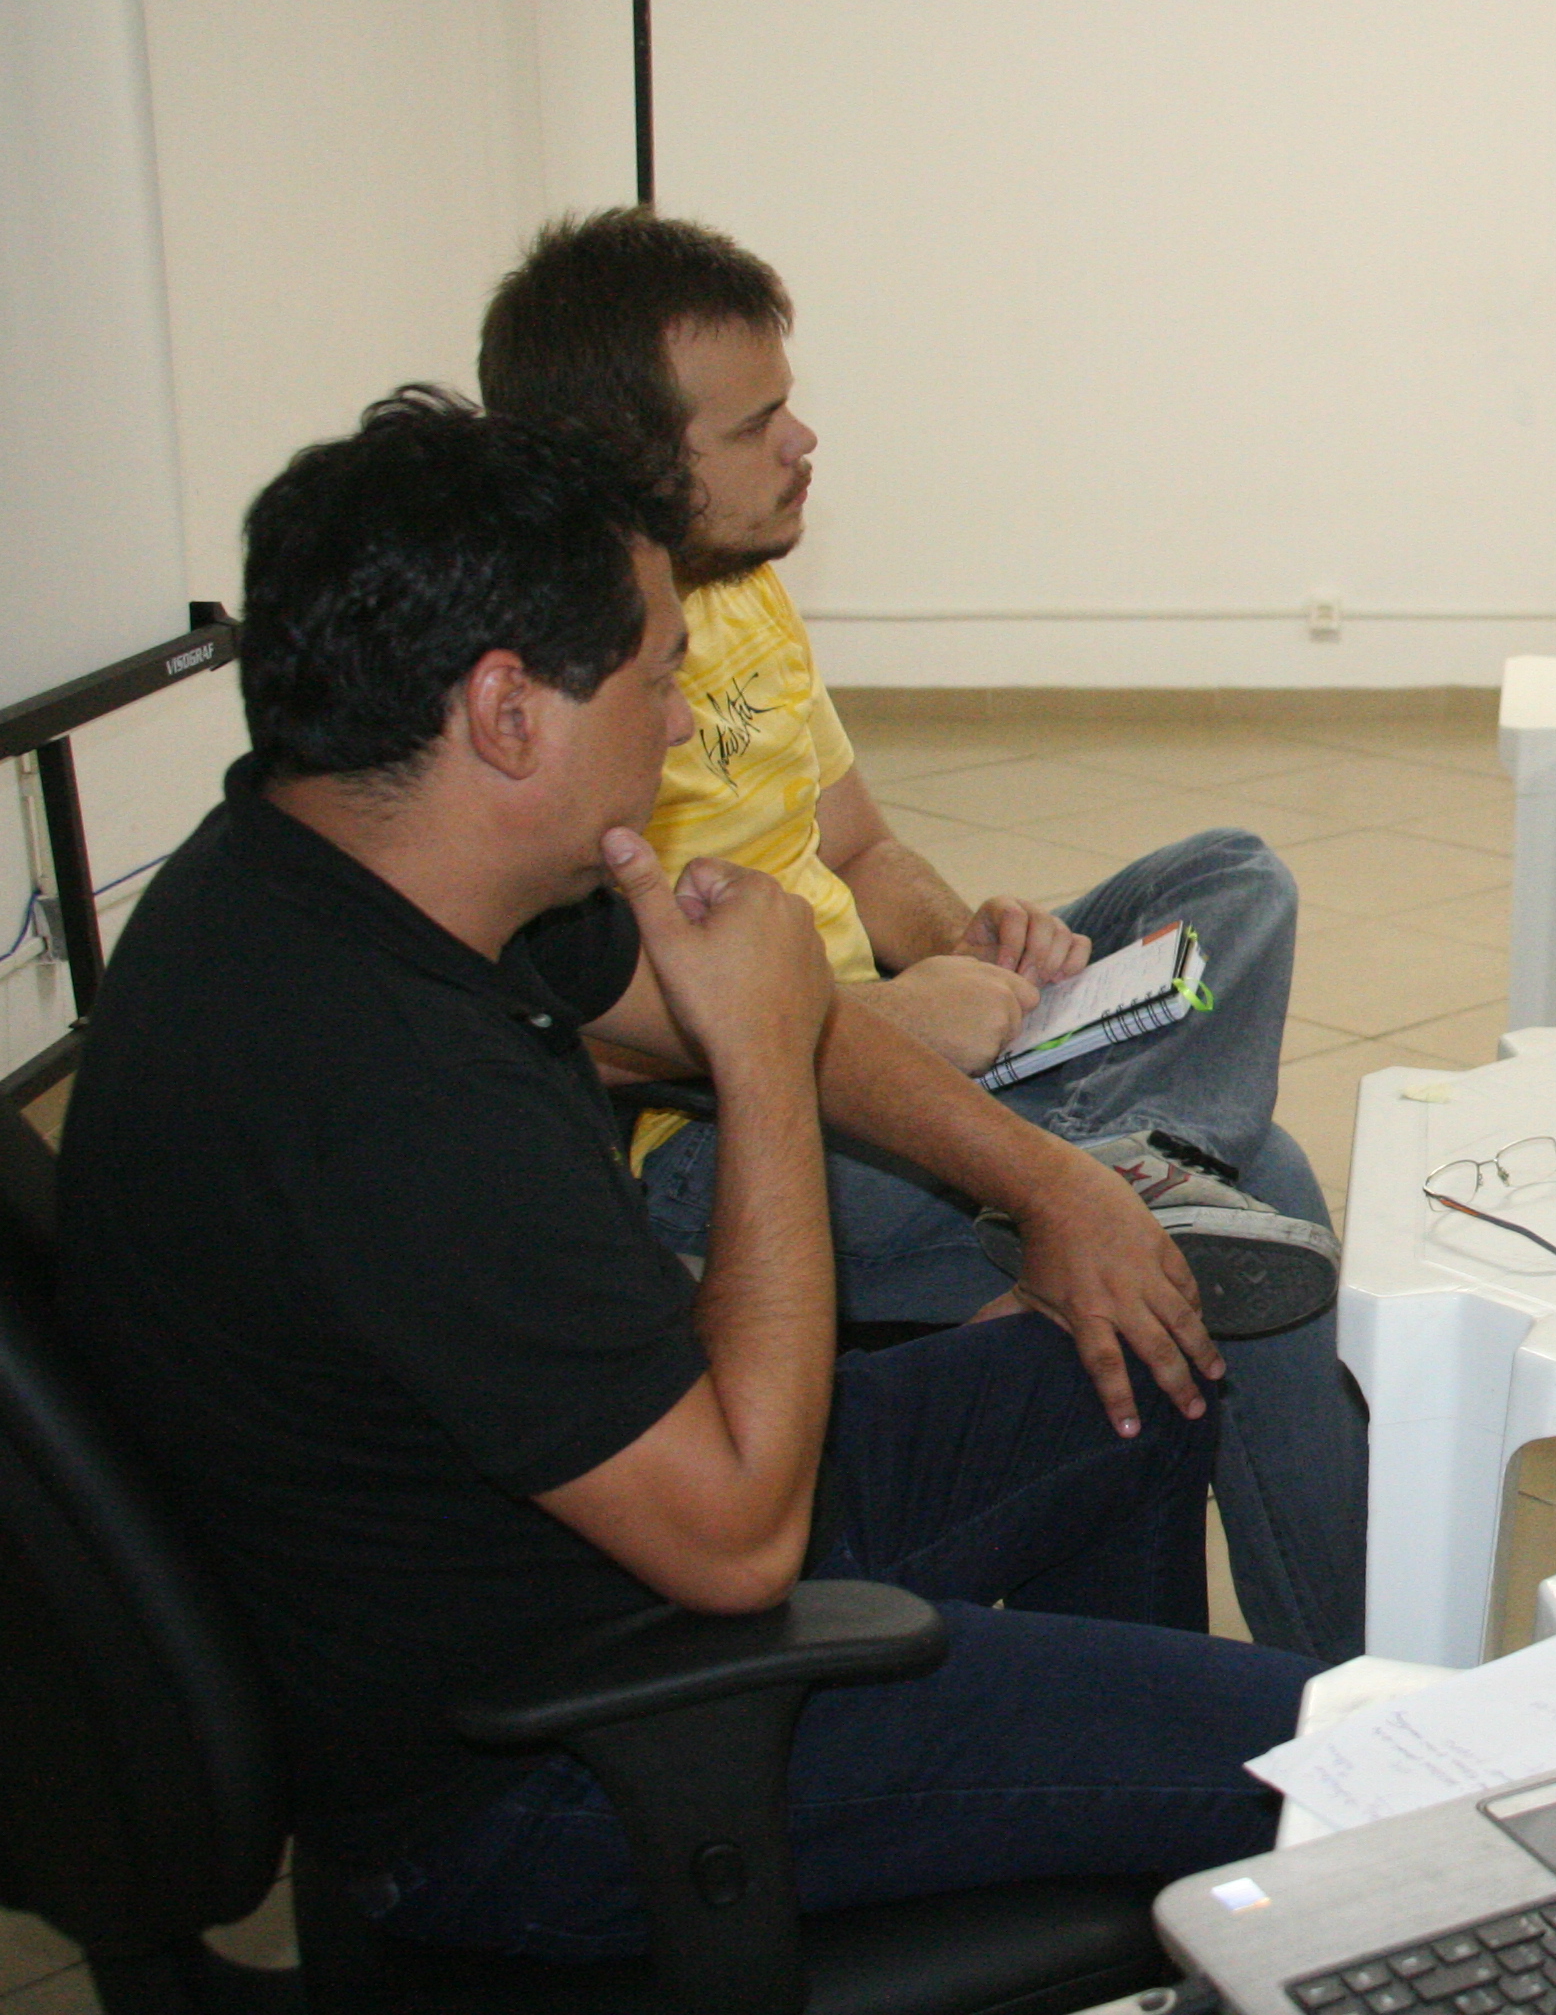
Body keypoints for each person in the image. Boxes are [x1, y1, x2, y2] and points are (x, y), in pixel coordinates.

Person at [55, 392, 1312, 1954]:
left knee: (1144, 1361)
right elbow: (736, 1542)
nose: (673, 725)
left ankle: (1118, 1851)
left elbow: (733, 994)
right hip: (564, 1769)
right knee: (1316, 1758)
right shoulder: (381, 1090)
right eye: (657, 676)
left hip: (604, 1553)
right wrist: (764, 1066)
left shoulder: (346, 861)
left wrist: (1061, 1189)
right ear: (509, 713)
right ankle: (1133, 1802)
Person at [477, 208, 1361, 1662]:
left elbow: (861, 850)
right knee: (1263, 1188)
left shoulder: (750, 594)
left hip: (904, 1036)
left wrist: (974, 949)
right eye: (755, 425)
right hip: (740, 1129)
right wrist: (901, 1022)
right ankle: (1350, 1682)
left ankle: (1138, 1150)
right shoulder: (572, 700)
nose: (804, 440)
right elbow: (647, 1037)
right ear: (624, 461)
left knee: (1234, 878)